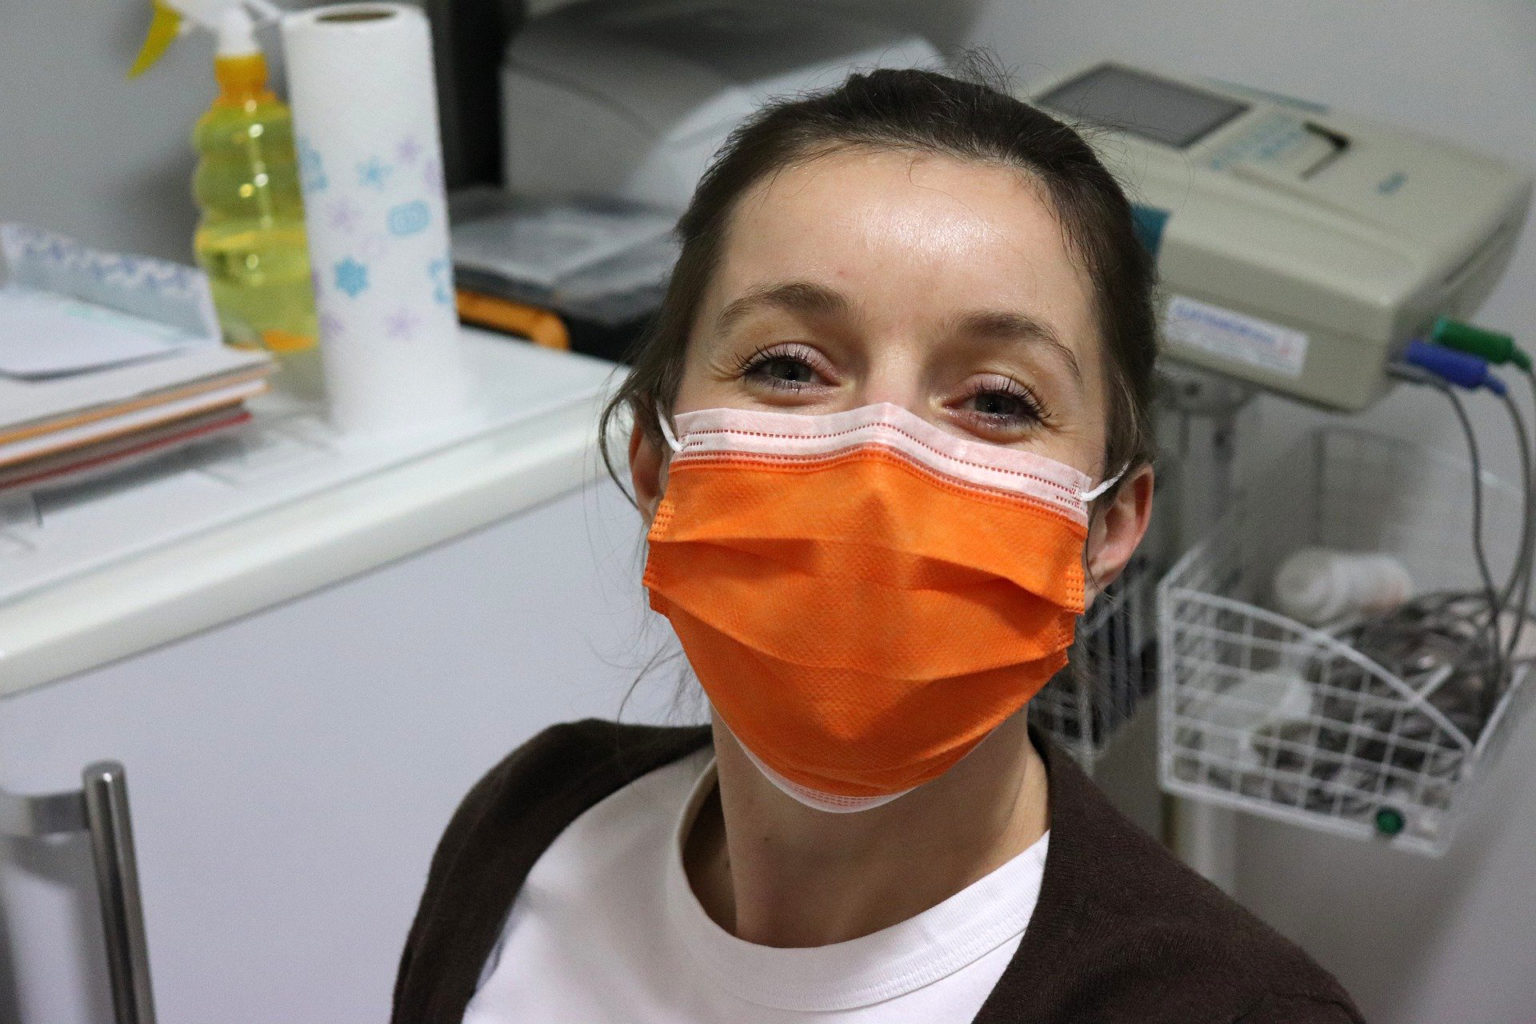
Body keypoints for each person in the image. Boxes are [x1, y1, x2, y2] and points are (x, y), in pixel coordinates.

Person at [392, 68, 1365, 1024]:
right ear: (656, 462)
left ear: (1106, 528)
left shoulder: (1231, 1011)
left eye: (996, 399)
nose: (876, 466)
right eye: (787, 366)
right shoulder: (532, 823)